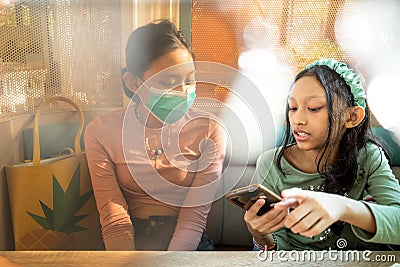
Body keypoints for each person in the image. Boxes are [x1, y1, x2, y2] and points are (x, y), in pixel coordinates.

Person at [84, 20, 226, 251]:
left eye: (189, 80)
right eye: (169, 83)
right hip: (127, 241)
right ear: (133, 82)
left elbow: (193, 220)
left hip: (187, 242)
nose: (183, 93)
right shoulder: (100, 132)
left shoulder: (209, 130)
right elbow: (113, 216)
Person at [244, 58, 400, 251]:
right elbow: (277, 249)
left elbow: (397, 222)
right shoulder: (271, 163)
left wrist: (342, 207)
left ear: (352, 117)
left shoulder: (368, 157)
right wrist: (260, 234)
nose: (298, 120)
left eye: (314, 108)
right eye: (293, 108)